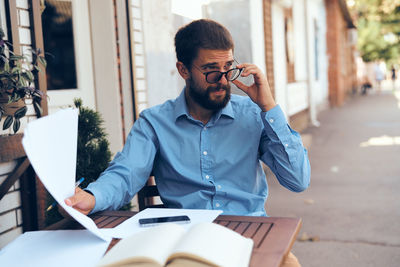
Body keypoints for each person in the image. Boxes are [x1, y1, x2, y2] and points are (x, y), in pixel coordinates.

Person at [65, 19, 310, 266]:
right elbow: (125, 174)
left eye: (228, 68)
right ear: (183, 70)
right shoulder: (155, 122)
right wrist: (92, 197)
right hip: (185, 240)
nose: (223, 80)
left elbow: (298, 179)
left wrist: (269, 107)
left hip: (249, 235)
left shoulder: (254, 115)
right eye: (212, 70)